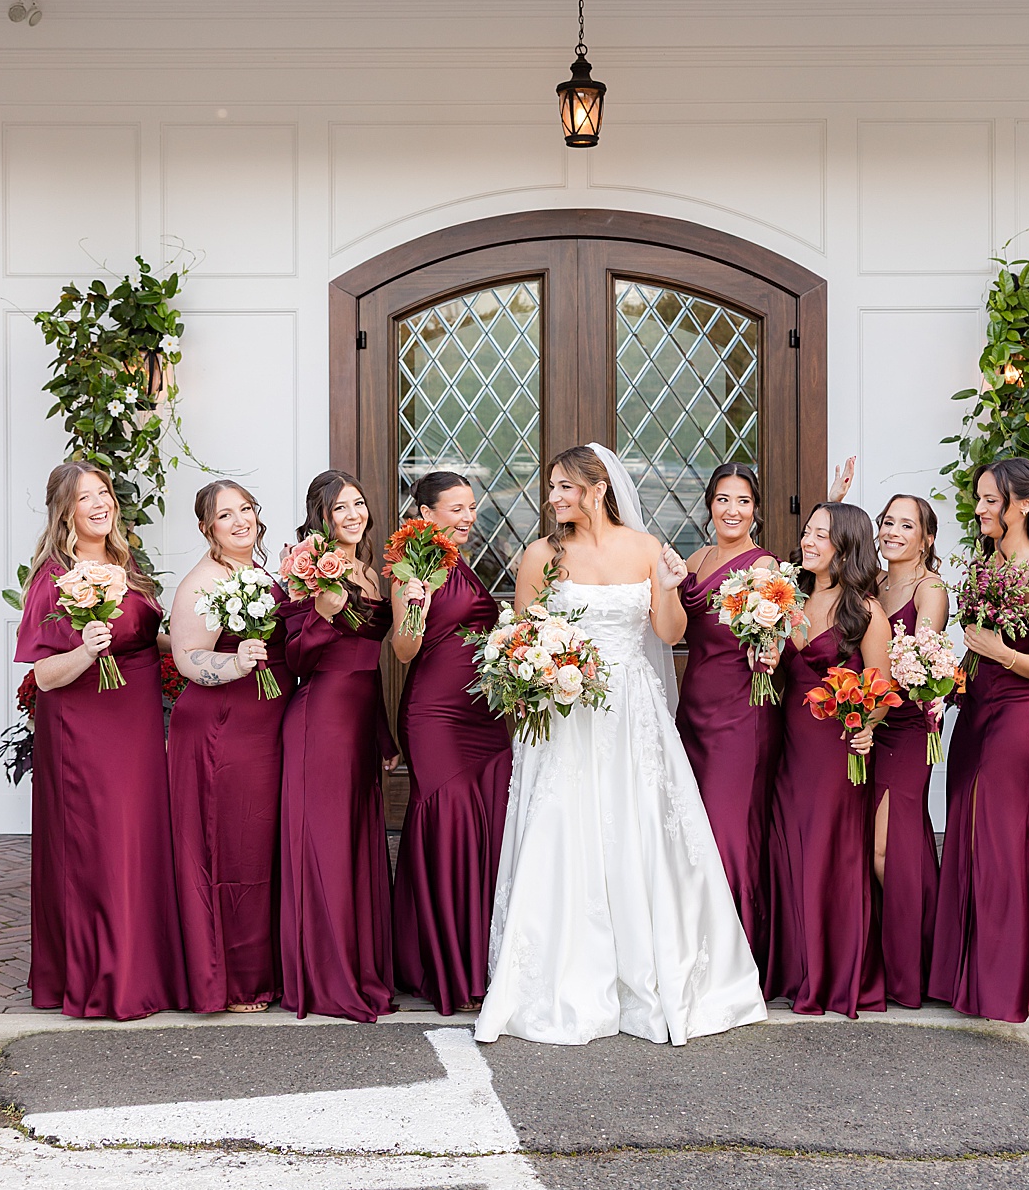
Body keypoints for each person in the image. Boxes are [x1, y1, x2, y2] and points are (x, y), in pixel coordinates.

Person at [473, 446, 768, 1046]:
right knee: (565, 831)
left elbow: (670, 633)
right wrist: (535, 671)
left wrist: (665, 587)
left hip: (630, 709)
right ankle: (563, 977)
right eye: (551, 488)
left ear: (598, 487)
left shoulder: (645, 549)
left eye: (564, 487)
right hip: (564, 713)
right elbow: (519, 639)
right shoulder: (539, 557)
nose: (554, 498)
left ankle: (651, 973)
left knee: (638, 831)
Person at [14, 462, 184, 1019]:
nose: (99, 503)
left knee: (138, 840)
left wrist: (204, 631)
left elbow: (144, 638)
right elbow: (42, 675)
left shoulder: (124, 565)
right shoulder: (51, 579)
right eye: (85, 497)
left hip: (133, 719)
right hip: (83, 726)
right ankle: (103, 978)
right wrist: (87, 650)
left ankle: (143, 970)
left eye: (104, 493)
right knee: (99, 845)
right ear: (65, 510)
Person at [931, 459, 1029, 1023]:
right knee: (966, 827)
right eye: (980, 499)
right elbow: (973, 642)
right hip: (978, 711)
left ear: (1023, 505)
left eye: (992, 500)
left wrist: (1001, 653)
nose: (981, 508)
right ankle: (966, 975)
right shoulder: (990, 562)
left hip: (1018, 718)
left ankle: (1003, 983)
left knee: (1001, 841)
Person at [388, 471, 512, 1016]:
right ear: (426, 512)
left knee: (490, 824)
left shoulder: (462, 564)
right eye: (456, 508)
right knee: (451, 822)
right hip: (435, 715)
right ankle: (443, 968)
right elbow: (403, 650)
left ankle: (483, 960)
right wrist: (413, 606)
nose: (468, 516)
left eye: (472, 506)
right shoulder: (411, 566)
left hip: (483, 715)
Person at [274, 471, 396, 1022]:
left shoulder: (372, 573)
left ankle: (359, 968)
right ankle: (327, 979)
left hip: (360, 721)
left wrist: (383, 732)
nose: (353, 514)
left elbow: (372, 664)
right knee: (326, 849)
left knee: (356, 847)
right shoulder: (305, 573)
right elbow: (296, 659)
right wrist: (322, 613)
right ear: (322, 515)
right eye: (341, 506)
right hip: (319, 721)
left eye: (359, 504)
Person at [167, 480, 289, 1013]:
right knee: (236, 847)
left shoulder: (261, 573)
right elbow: (187, 657)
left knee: (263, 844)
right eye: (226, 515)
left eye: (247, 509)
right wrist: (233, 664)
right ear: (206, 528)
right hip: (224, 727)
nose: (241, 521)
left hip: (267, 722)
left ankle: (270, 965)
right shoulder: (203, 582)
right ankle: (236, 977)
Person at [769, 503, 890, 1018]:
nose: (809, 541)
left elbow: (882, 689)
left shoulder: (866, 611)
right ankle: (795, 970)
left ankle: (833, 975)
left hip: (835, 753)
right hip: (786, 748)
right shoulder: (788, 598)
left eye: (822, 534)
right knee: (787, 850)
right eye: (807, 532)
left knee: (827, 855)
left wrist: (867, 726)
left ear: (846, 545)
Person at [675, 462, 783, 964]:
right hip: (693, 709)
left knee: (727, 830)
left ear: (755, 510)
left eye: (742, 501)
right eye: (722, 499)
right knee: (692, 829)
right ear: (709, 505)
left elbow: (776, 635)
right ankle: (695, 946)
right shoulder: (697, 559)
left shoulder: (764, 568)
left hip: (741, 714)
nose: (732, 510)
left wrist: (771, 650)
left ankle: (735, 957)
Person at [872, 493, 951, 1008]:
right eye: (887, 522)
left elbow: (921, 652)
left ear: (926, 538)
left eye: (907, 525)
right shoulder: (873, 582)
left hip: (907, 727)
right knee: (887, 843)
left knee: (888, 848)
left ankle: (916, 962)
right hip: (866, 723)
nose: (892, 532)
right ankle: (896, 959)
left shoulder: (932, 589)